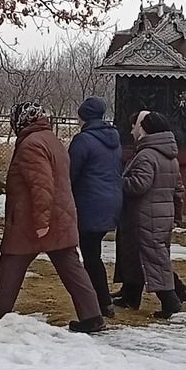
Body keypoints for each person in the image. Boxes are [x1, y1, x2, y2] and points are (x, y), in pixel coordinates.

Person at [0, 104, 105, 332]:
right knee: (71, 267)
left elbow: (41, 185)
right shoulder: (50, 139)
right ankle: (92, 315)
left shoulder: (31, 145)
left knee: (11, 265)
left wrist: (42, 222)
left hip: (32, 221)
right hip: (59, 217)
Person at [117, 110, 184, 318]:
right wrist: (176, 216)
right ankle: (131, 296)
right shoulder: (169, 155)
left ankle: (170, 300)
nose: (131, 130)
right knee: (149, 257)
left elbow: (139, 185)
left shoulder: (147, 154)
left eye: (135, 126)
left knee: (154, 259)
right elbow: (179, 189)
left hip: (146, 215)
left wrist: (115, 181)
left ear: (144, 129)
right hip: (162, 214)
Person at [69, 96, 124, 317]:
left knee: (90, 256)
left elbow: (70, 173)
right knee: (93, 252)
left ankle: (101, 303)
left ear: (83, 116)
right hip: (111, 202)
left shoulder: (83, 141)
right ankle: (101, 300)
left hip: (89, 203)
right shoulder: (113, 138)